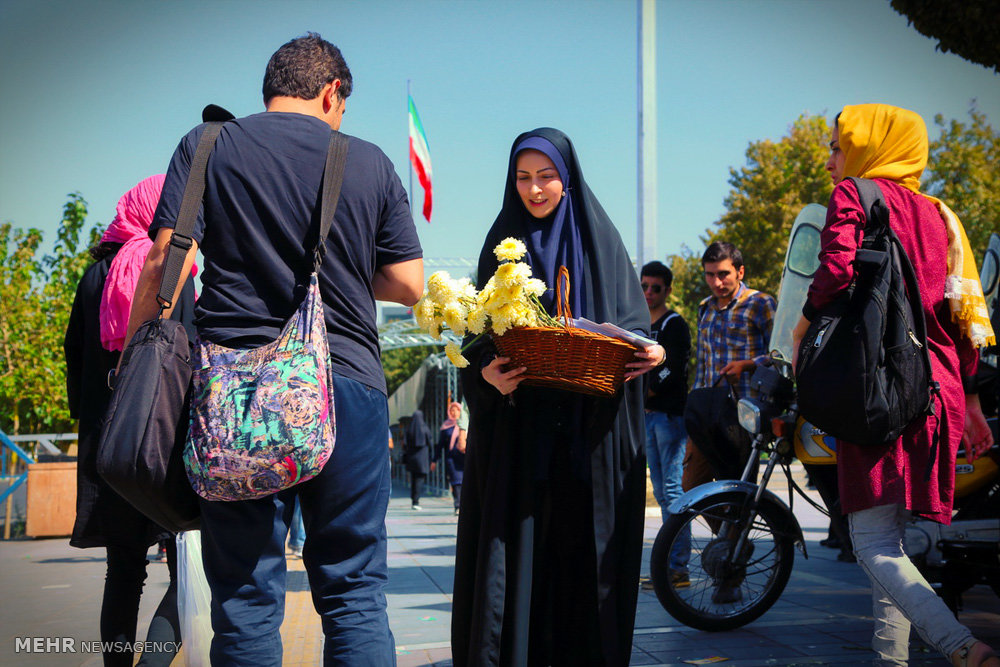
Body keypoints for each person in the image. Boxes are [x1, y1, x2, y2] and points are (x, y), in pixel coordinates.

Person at [124, 33, 423, 665]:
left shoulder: (207, 145)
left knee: (245, 601)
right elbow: (409, 285)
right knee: (354, 593)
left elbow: (165, 260)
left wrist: (133, 357)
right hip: (346, 384)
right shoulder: (366, 161)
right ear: (331, 92)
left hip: (234, 394)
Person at [791, 103, 998, 667]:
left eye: (837, 145)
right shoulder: (940, 213)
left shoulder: (855, 195)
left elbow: (833, 271)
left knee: (874, 545)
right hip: (937, 391)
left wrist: (801, 326)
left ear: (868, 147)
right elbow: (964, 314)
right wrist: (973, 403)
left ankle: (963, 648)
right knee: (894, 544)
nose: (830, 158)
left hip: (880, 386)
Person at [452, 128, 665, 666]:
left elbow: (636, 326)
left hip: (588, 437)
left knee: (583, 564)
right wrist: (485, 375)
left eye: (546, 176)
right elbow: (475, 338)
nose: (535, 189)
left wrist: (652, 353)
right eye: (523, 178)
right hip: (521, 435)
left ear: (567, 180)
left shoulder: (601, 243)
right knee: (520, 562)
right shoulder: (500, 244)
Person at [64, 174, 195, 667]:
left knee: (122, 569)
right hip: (163, 439)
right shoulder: (171, 270)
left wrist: (94, 415)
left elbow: (74, 354)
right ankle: (156, 662)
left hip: (109, 446)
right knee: (188, 568)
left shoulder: (92, 277)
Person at [684, 241, 776, 489]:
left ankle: (735, 528)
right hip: (708, 408)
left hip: (745, 413)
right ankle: (727, 528)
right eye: (710, 275)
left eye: (723, 274)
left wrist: (748, 365)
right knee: (691, 485)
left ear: (740, 272)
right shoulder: (705, 308)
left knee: (738, 489)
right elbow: (704, 364)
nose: (716, 282)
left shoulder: (760, 303)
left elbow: (780, 354)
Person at [639, 261, 691, 587]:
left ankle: (678, 568)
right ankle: (672, 566)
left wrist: (648, 388)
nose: (648, 292)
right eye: (643, 286)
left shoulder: (675, 324)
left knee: (673, 491)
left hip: (670, 417)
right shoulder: (638, 322)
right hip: (647, 416)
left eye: (655, 287)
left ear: (667, 290)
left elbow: (675, 365)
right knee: (661, 492)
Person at [438, 401, 467, 514]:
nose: (454, 412)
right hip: (452, 460)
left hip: (464, 458)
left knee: (465, 482)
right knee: (456, 482)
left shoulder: (466, 425)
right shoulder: (446, 427)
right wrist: (434, 460)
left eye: (457, 410)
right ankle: (458, 505)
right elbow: (440, 445)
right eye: (452, 410)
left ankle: (466, 505)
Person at [403, 409, 434, 510]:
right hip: (422, 459)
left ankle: (413, 499)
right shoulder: (425, 428)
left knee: (413, 479)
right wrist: (431, 458)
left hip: (412, 459)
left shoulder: (409, 429)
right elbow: (431, 444)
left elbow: (405, 444)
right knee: (419, 480)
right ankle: (416, 501)